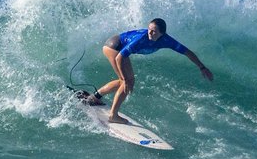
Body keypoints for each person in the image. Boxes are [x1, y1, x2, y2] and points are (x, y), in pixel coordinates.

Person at [82, 18, 213, 123]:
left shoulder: (167, 41)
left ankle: (95, 97)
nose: (150, 33)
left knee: (126, 81)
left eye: (154, 31)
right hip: (113, 47)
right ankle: (113, 115)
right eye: (149, 29)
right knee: (126, 81)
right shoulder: (141, 39)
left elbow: (187, 52)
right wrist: (126, 80)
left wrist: (202, 67)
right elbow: (119, 58)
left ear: (162, 34)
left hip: (119, 50)